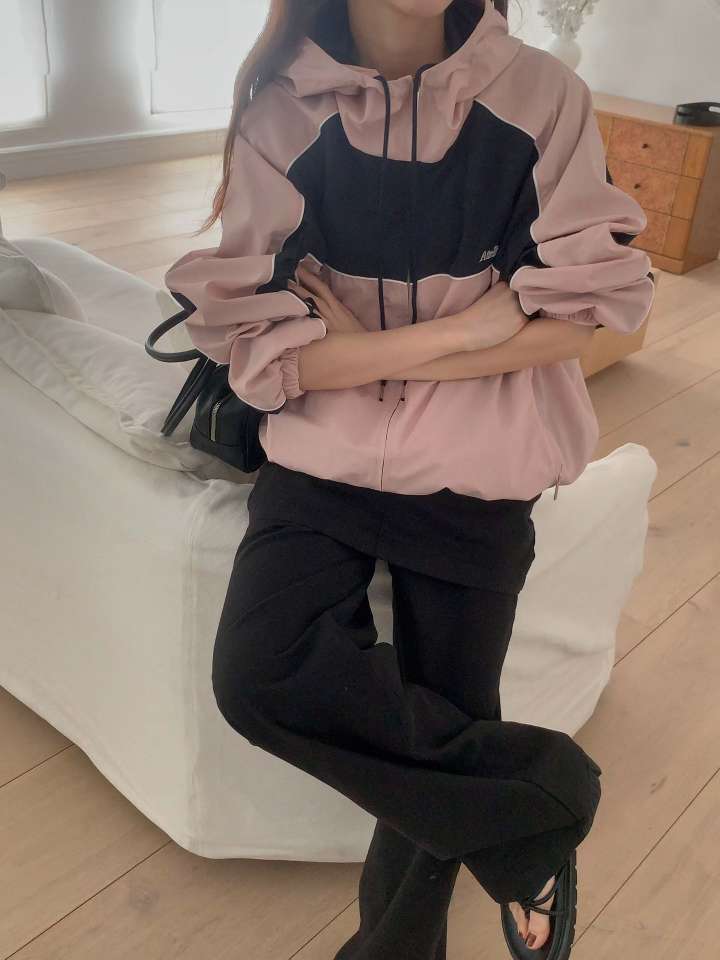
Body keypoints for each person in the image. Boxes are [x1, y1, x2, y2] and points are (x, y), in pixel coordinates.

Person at [164, 1, 655, 956]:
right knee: (257, 675)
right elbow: (267, 351)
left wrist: (365, 349)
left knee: (452, 708)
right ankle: (536, 810)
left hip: (480, 462)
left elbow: (577, 318)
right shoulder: (280, 111)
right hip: (324, 456)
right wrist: (466, 330)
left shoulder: (543, 97)